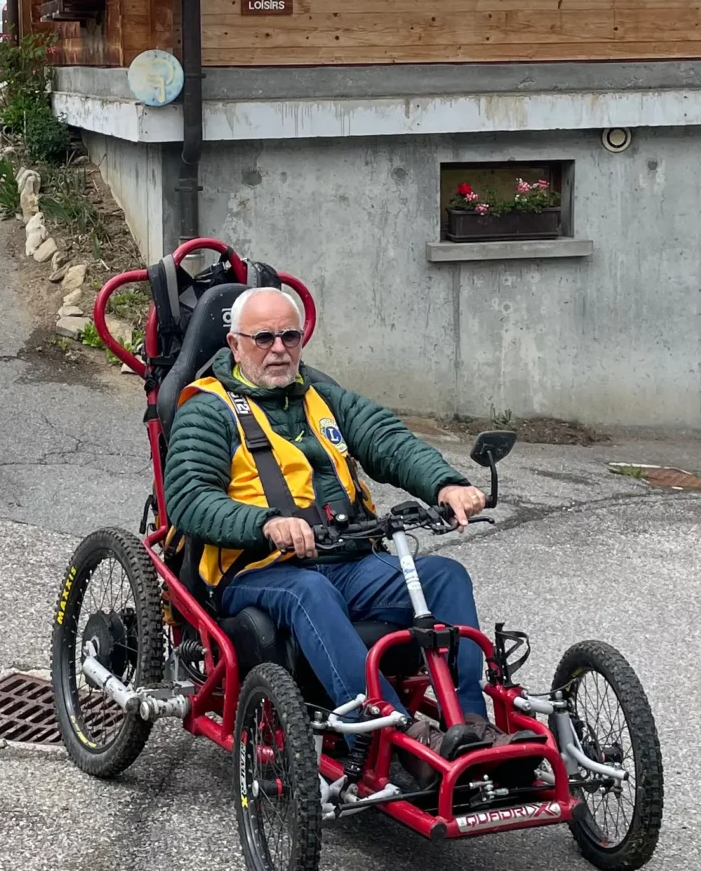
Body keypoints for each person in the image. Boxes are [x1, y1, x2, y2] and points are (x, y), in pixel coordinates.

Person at [165, 284, 493, 734]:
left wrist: (447, 485)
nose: (279, 349)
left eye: (290, 337)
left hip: (346, 559)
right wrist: (267, 524)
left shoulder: (323, 397)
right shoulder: (207, 410)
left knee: (444, 576)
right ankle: (390, 728)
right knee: (310, 592)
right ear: (235, 345)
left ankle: (471, 722)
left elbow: (388, 441)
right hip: (257, 570)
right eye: (264, 338)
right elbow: (189, 499)